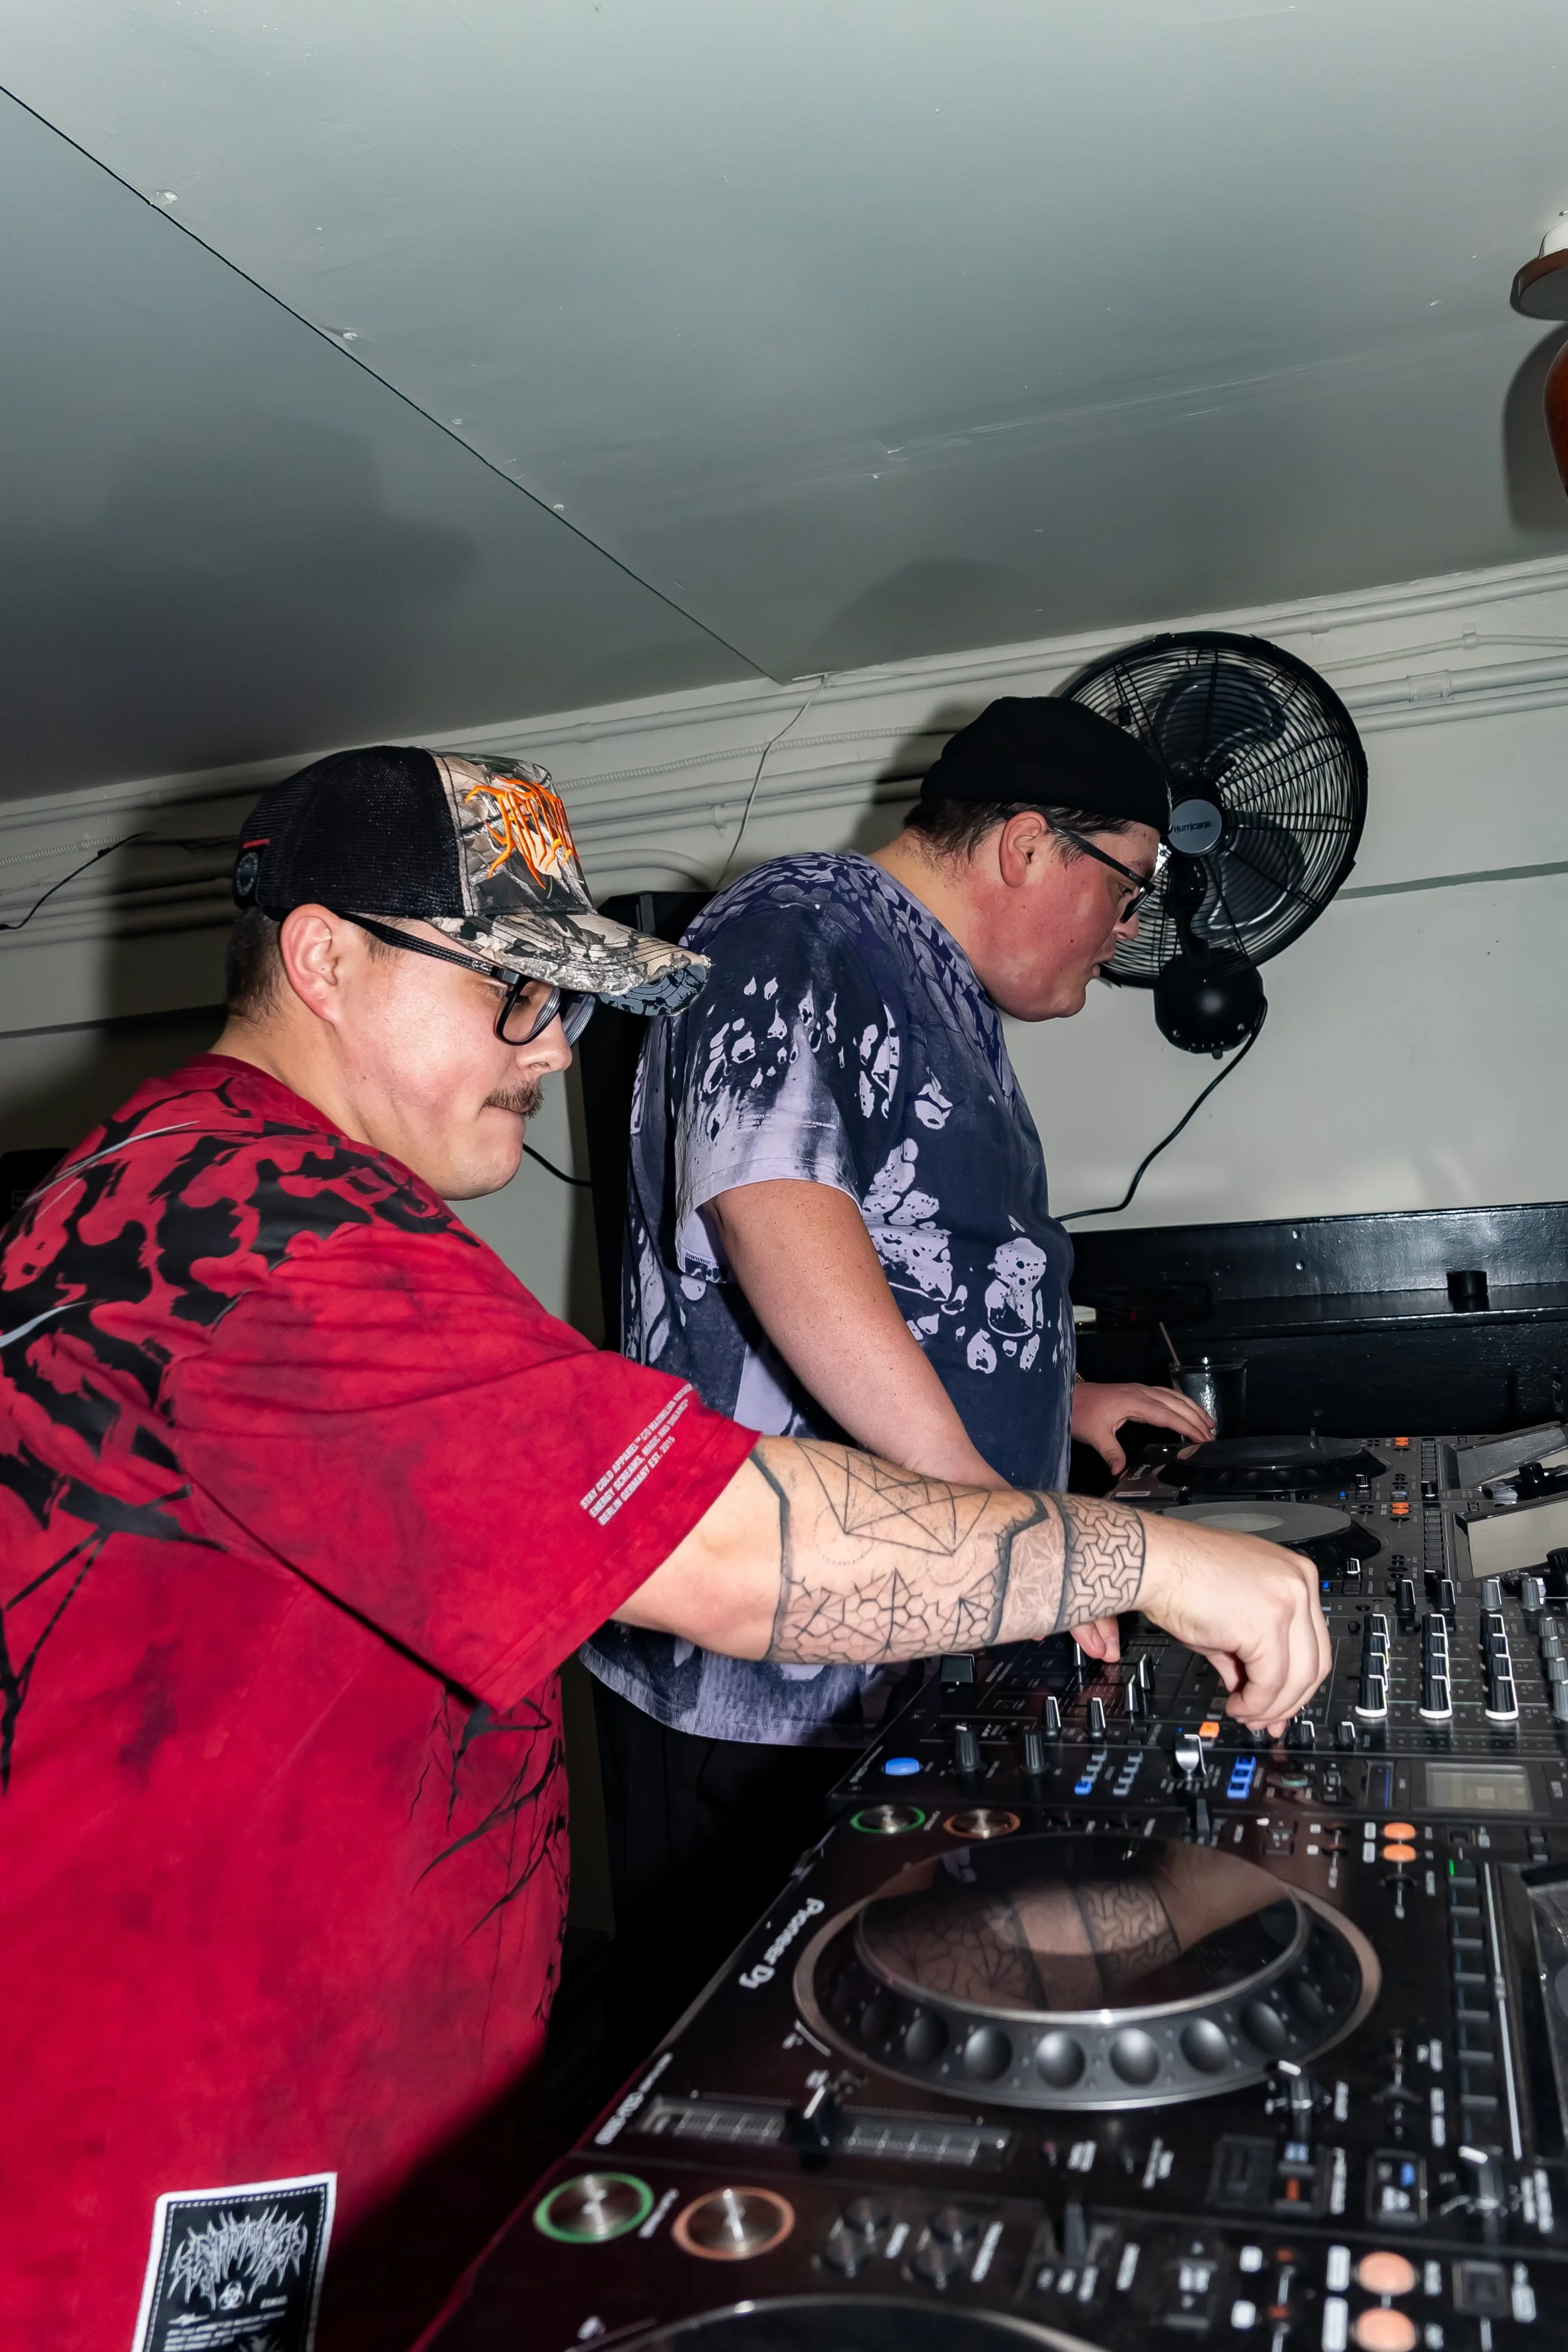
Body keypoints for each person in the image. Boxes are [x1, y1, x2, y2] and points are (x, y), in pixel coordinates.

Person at [0, 743, 1328, 2352]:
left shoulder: (243, 1193)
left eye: (567, 1004)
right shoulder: (240, 1221)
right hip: (195, 2143)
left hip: (344, 2081)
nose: (553, 1054)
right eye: (510, 990)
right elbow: (715, 1554)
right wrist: (1128, 1555)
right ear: (325, 958)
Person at [586, 694, 1215, 2038]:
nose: (1124, 934)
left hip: (901, 1644)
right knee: (765, 2064)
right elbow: (774, 1209)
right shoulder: (791, 930)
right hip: (764, 1687)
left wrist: (1060, 1392)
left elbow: (926, 1268)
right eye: (1125, 888)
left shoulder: (932, 981)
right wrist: (1009, 1528)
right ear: (1028, 847)